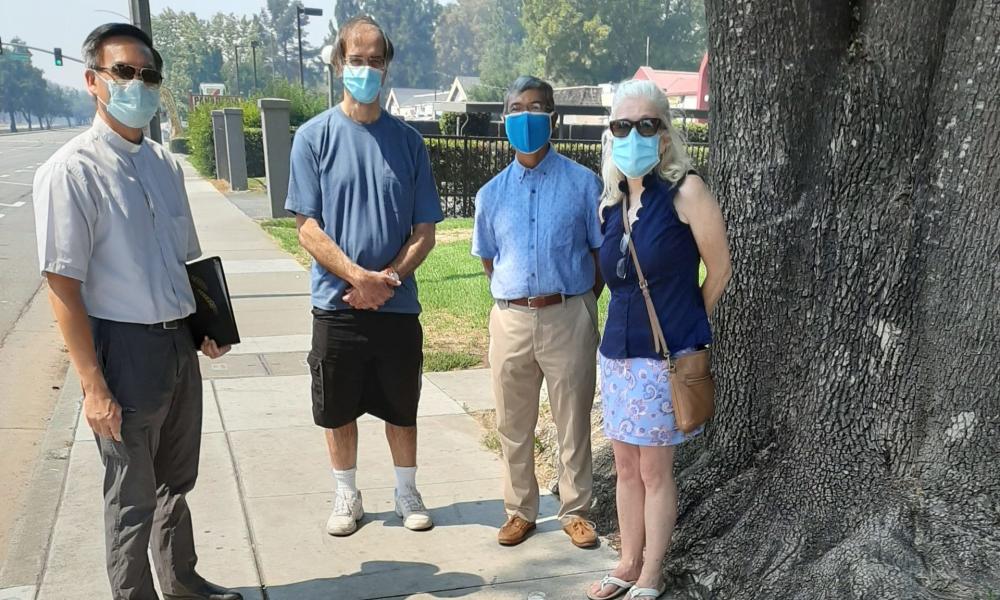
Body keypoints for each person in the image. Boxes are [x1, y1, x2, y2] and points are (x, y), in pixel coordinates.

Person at [32, 23, 241, 600]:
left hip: (178, 347)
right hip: (123, 351)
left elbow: (184, 259)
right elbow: (61, 285)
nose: (138, 84)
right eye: (123, 71)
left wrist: (206, 327)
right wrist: (92, 385)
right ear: (93, 81)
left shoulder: (162, 164)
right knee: (132, 494)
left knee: (178, 478)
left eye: (148, 75)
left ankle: (182, 581)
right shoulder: (72, 171)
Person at [285, 15, 443, 537]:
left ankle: (406, 490)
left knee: (401, 404)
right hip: (337, 304)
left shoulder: (409, 143)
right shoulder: (313, 138)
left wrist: (387, 281)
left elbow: (425, 230)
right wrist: (357, 276)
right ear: (338, 64)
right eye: (357, 59)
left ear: (387, 66)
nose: (367, 69)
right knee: (337, 407)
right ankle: (346, 494)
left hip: (396, 306)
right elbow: (306, 227)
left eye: (376, 60)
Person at [586, 80, 731, 600]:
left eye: (646, 125)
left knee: (653, 471)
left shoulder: (686, 191)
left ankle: (651, 570)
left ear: (665, 135)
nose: (633, 136)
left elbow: (719, 269)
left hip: (660, 361)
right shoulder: (612, 202)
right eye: (621, 127)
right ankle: (626, 560)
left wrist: (687, 322)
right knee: (624, 466)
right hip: (616, 355)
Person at [472, 76, 604, 549]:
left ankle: (575, 511)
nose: (525, 116)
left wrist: (583, 303)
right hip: (510, 317)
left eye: (535, 107)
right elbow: (490, 260)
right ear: (504, 117)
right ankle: (519, 510)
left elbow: (598, 254)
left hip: (567, 313)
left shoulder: (584, 184)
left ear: (553, 117)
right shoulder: (489, 195)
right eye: (515, 108)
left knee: (573, 419)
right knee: (513, 421)